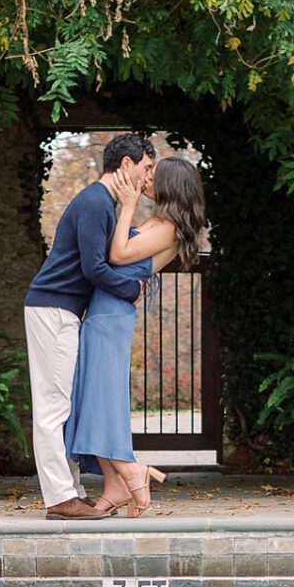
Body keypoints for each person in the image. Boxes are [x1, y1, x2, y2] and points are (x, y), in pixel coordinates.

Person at [63, 156, 211, 518]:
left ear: (170, 186)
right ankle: (115, 487)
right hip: (103, 312)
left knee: (102, 400)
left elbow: (117, 254)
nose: (146, 179)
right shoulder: (159, 221)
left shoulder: (169, 227)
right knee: (93, 397)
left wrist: (127, 205)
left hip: (111, 317)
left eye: (153, 176)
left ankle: (132, 471)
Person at [24, 134, 158, 520]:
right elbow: (94, 268)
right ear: (127, 165)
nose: (149, 177)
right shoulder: (96, 202)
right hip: (52, 309)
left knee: (60, 406)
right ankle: (59, 499)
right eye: (146, 167)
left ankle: (71, 492)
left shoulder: (105, 204)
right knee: (52, 408)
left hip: (62, 311)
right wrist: (132, 288)